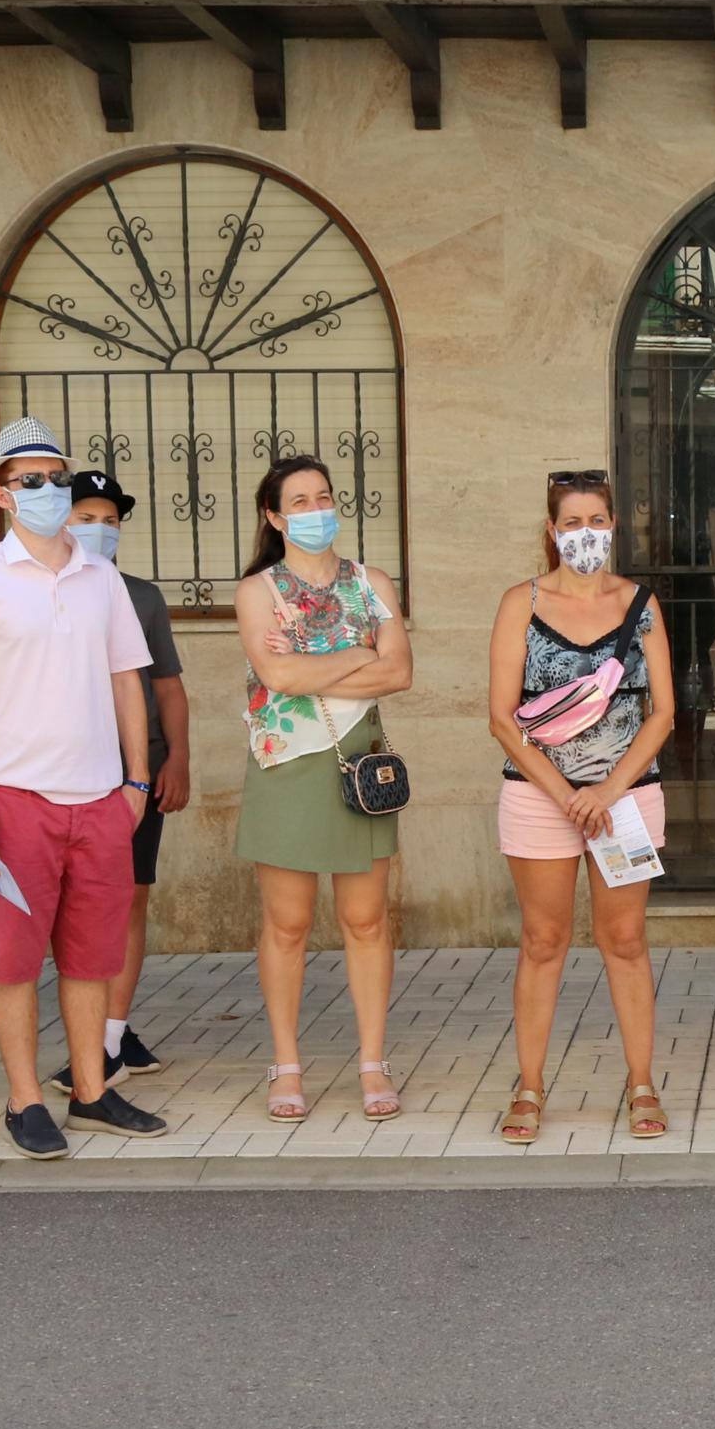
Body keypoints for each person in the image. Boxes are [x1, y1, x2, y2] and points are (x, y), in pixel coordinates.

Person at [0, 416, 171, 1160]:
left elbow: (128, 681)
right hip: (13, 800)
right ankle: (25, 1099)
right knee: (12, 958)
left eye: (55, 477)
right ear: (2, 494)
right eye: (29, 479)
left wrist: (136, 781)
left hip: (101, 799)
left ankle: (92, 1091)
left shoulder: (102, 578)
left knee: (93, 955)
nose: (46, 490)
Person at [486, 471, 677, 1144]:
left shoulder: (640, 604)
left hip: (625, 797)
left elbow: (663, 713)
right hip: (539, 796)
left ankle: (642, 1082)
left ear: (614, 525)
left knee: (625, 940)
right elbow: (503, 719)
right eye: (571, 522)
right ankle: (529, 1086)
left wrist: (606, 791)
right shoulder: (521, 603)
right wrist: (568, 795)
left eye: (597, 520)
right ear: (551, 530)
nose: (585, 533)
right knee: (543, 942)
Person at [232, 455, 412, 1124]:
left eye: (324, 497)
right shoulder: (257, 591)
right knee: (288, 924)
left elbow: (400, 673)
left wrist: (313, 665)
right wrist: (361, 654)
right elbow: (277, 678)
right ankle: (285, 1064)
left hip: (358, 765)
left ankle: (373, 1062)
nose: (316, 511)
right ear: (275, 517)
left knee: (367, 921)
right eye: (300, 502)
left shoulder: (371, 582)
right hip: (286, 766)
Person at [43, 469, 188, 1092]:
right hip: (59, 775)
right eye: (85, 518)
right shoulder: (32, 588)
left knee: (128, 899)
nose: (99, 530)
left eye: (110, 521)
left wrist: (176, 758)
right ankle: (98, 1032)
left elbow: (166, 687)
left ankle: (109, 1038)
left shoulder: (141, 597)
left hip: (134, 775)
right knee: (72, 907)